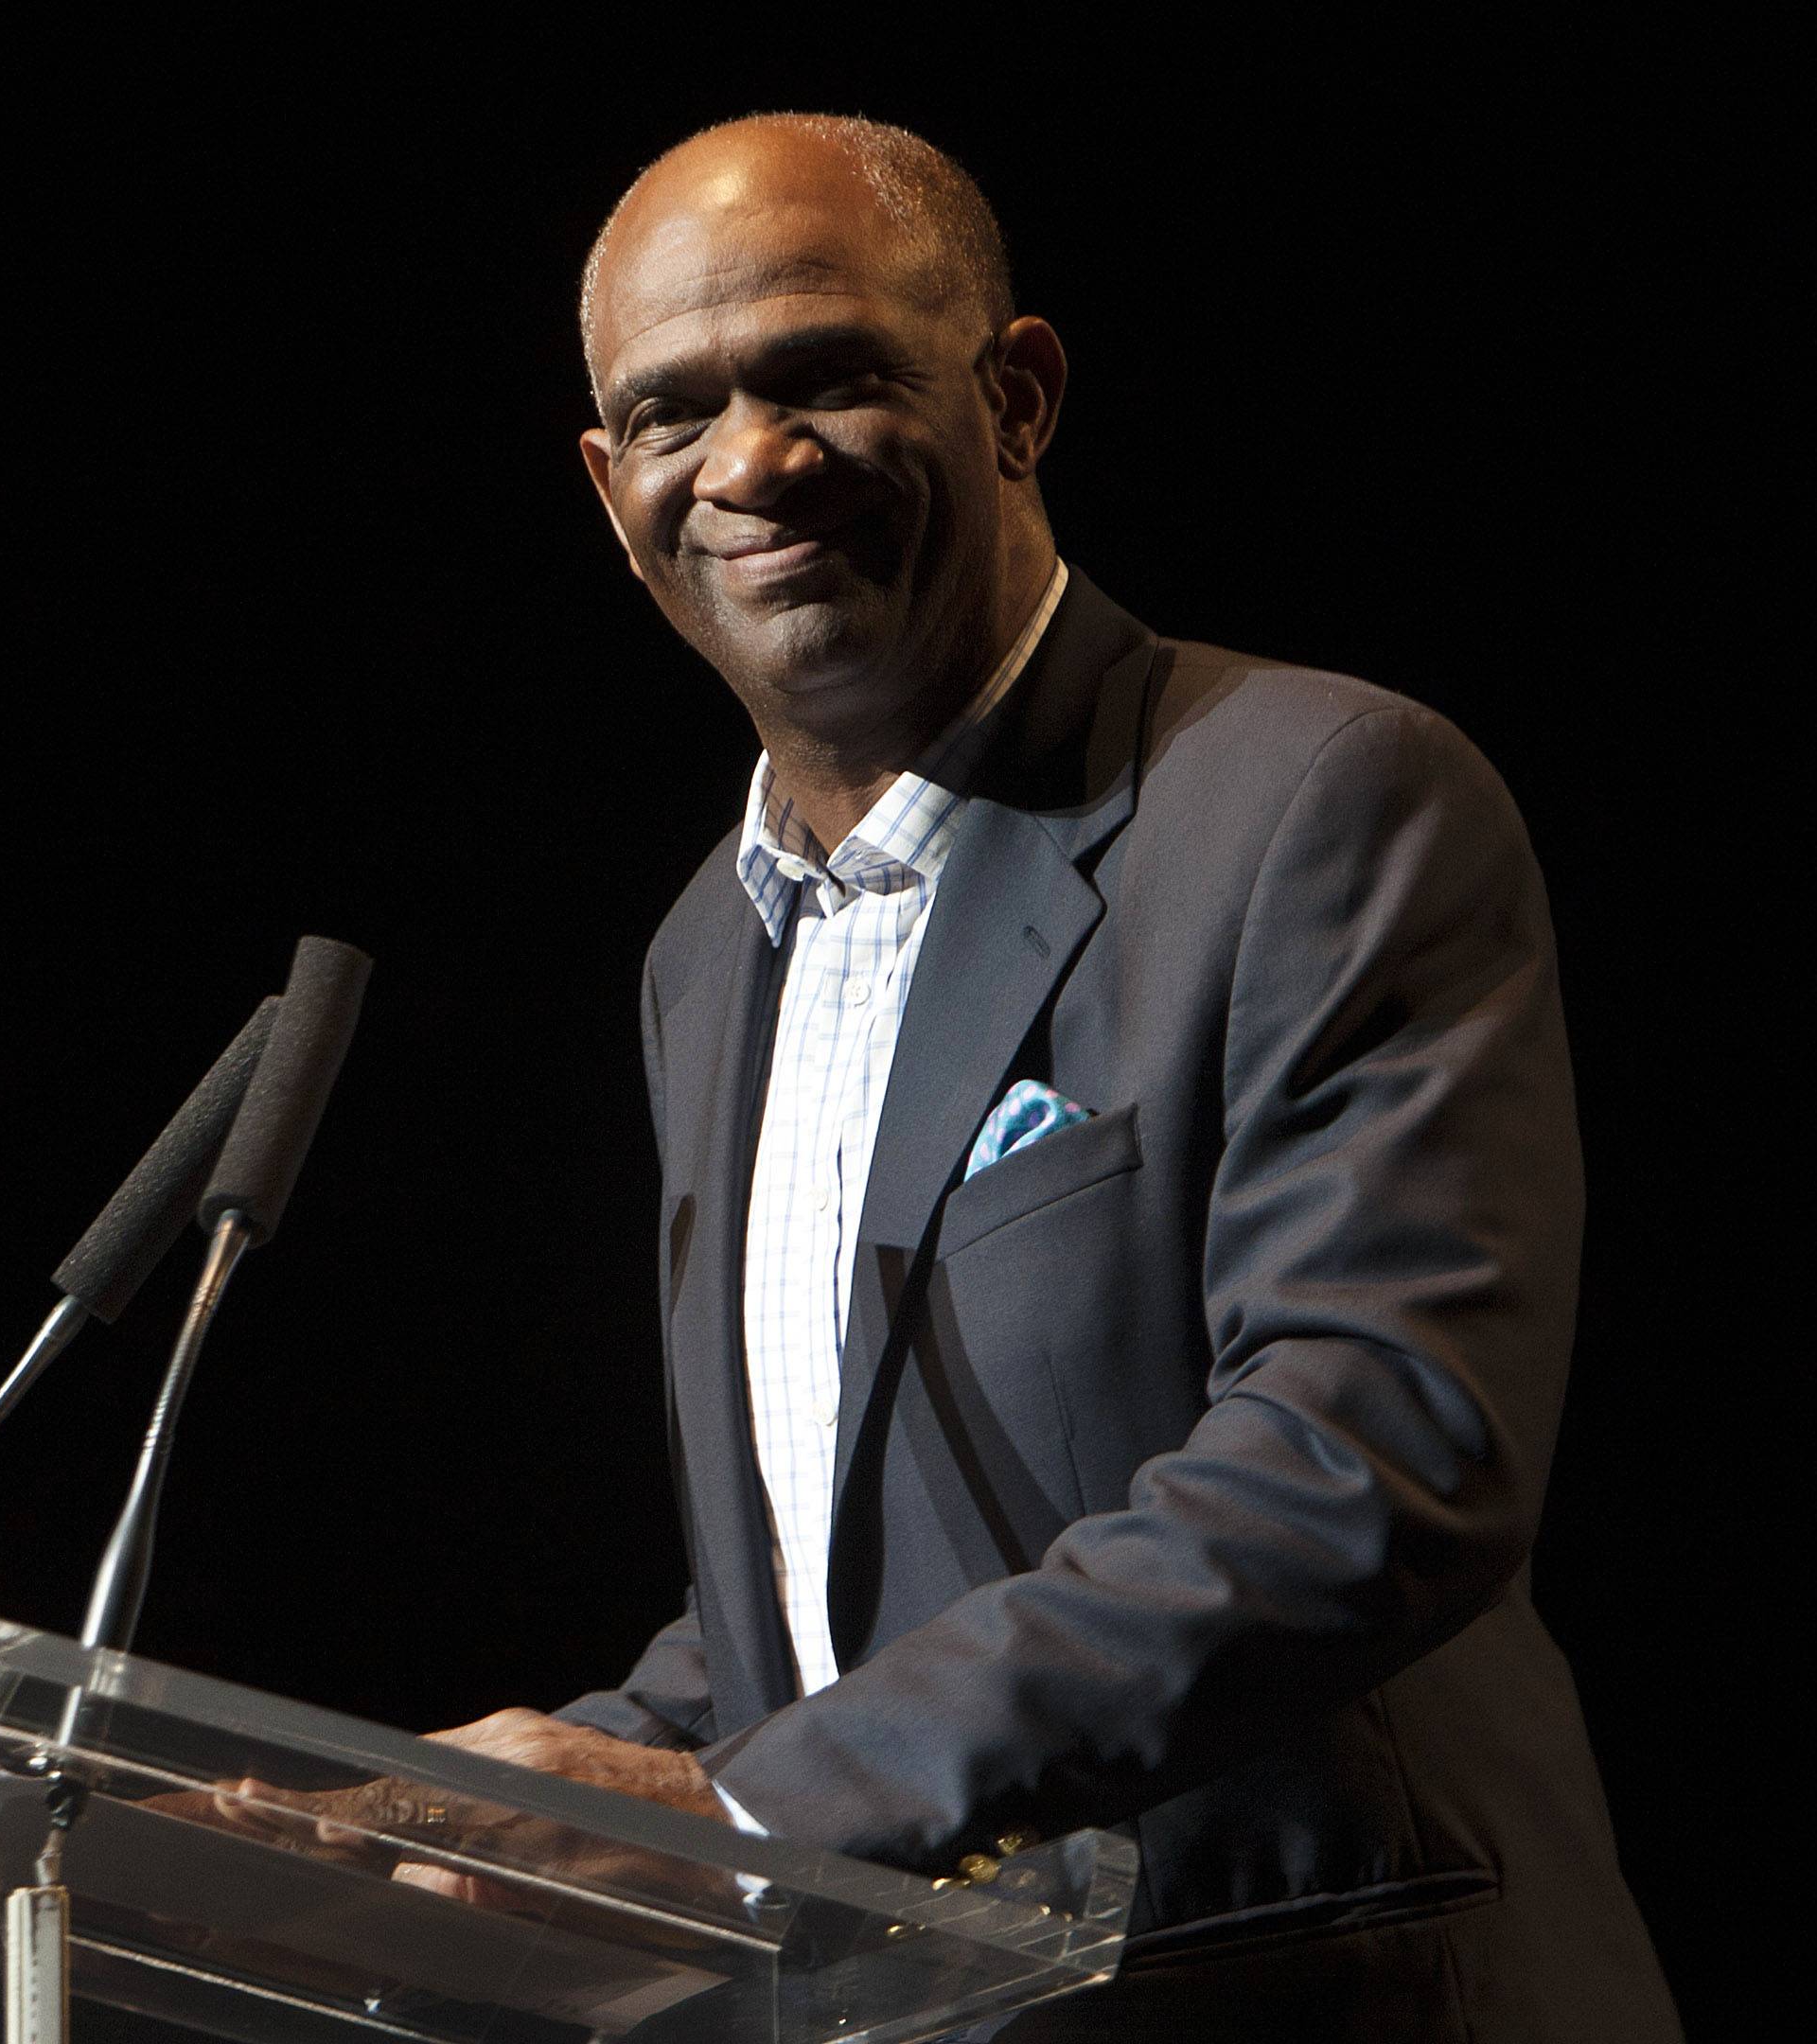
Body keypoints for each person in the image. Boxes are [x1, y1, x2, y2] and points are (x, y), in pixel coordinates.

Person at [409, 115, 1683, 2040]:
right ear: (610, 487)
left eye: (827, 377)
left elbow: (1371, 1458)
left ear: (1016, 398)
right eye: (673, 415)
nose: (753, 463)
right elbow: (833, 1595)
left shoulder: (1312, 799)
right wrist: (475, 1814)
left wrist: (753, 1812)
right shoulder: (704, 954)